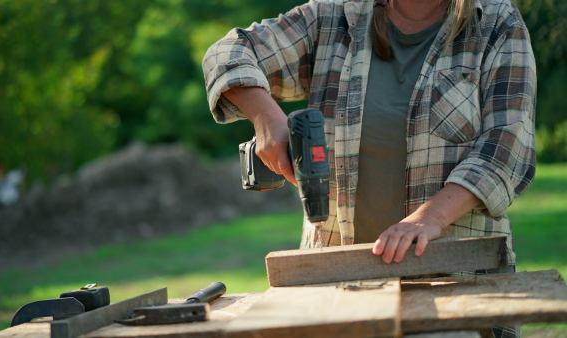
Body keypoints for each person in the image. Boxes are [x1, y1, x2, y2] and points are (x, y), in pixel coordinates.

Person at [203, 0, 535, 335]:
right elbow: (227, 52)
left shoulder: (495, 22)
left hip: (454, 285)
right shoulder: (332, 18)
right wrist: (265, 116)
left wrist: (430, 218)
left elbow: (507, 147)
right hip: (335, 289)